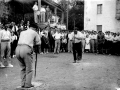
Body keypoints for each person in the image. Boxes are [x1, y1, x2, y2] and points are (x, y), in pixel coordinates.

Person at [15, 23, 41, 88]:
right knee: (29, 68)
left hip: (18, 49)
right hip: (26, 48)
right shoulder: (34, 32)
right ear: (35, 29)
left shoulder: (22, 32)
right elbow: (39, 42)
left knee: (22, 68)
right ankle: (28, 84)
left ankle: (23, 83)